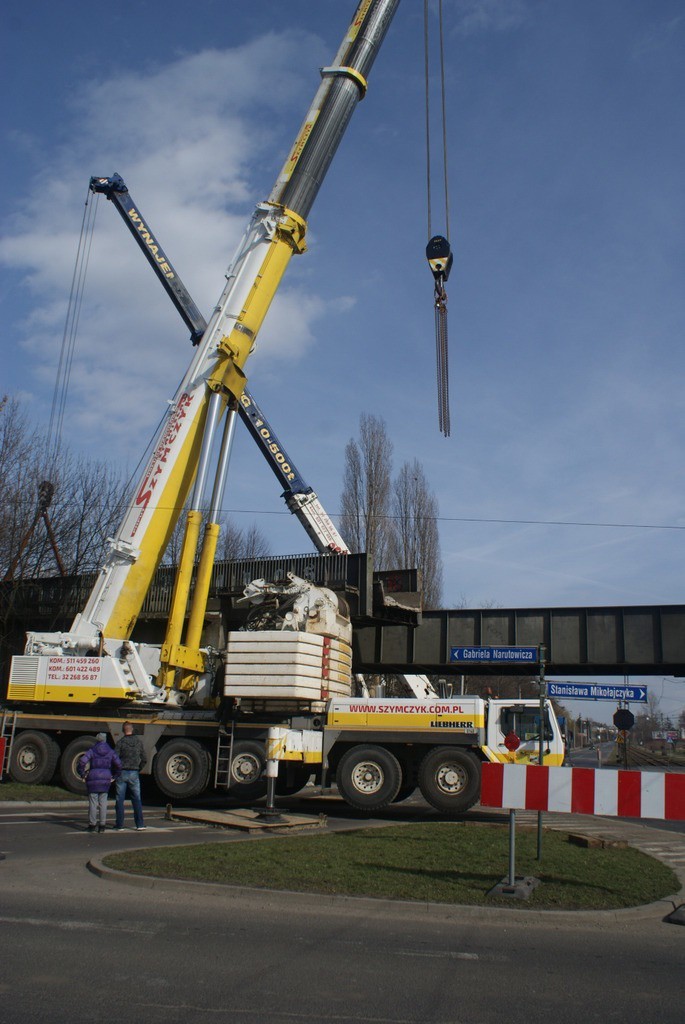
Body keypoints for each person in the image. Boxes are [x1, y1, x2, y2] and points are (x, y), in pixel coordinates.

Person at [78, 733, 122, 833]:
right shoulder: (110, 751)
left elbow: (82, 761)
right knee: (103, 802)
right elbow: (119, 764)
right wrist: (115, 776)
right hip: (106, 777)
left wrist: (82, 773)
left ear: (97, 740)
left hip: (93, 776)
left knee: (93, 803)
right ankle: (102, 825)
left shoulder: (92, 750)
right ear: (105, 740)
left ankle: (92, 825)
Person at [114, 722, 147, 831]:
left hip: (122, 772)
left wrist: (116, 770)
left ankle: (119, 825)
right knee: (137, 799)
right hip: (134, 772)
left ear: (123, 730)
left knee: (120, 799)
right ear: (132, 730)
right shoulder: (138, 742)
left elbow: (115, 759)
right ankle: (140, 824)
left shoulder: (120, 742)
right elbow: (144, 758)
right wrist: (139, 768)